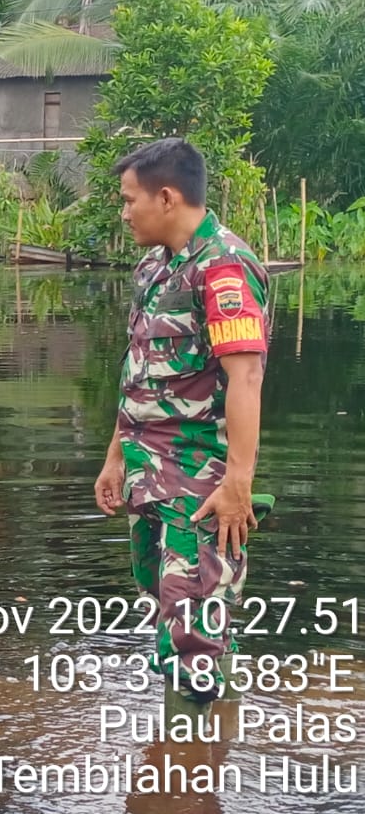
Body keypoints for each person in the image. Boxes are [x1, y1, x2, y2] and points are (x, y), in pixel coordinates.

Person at [93, 138, 270, 704]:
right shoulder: (155, 268)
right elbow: (141, 371)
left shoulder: (223, 269)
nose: (124, 213)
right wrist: (115, 457)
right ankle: (185, 762)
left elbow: (245, 377)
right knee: (167, 604)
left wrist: (237, 483)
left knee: (194, 631)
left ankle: (190, 777)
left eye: (129, 200)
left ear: (166, 197)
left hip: (200, 480)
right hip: (149, 470)